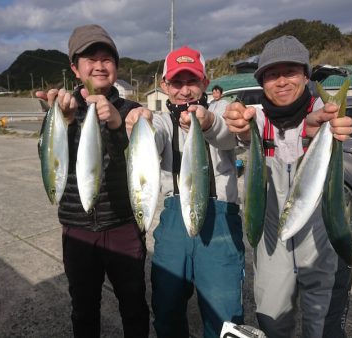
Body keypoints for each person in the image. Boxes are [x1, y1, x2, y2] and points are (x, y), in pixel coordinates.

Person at [223, 35, 352, 338]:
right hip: (271, 242)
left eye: (291, 72)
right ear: (261, 82)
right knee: (271, 321)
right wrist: (226, 118)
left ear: (306, 76)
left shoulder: (328, 114)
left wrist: (318, 131)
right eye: (271, 74)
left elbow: (325, 128)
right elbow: (225, 130)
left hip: (321, 243)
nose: (281, 81)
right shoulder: (252, 118)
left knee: (323, 329)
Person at [36, 24, 149, 337]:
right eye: (90, 58)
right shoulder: (61, 110)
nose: (100, 65)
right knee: (84, 308)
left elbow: (142, 165)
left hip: (123, 225)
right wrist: (66, 123)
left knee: (135, 305)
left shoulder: (132, 112)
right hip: (78, 229)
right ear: (75, 68)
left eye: (107, 58)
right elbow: (49, 162)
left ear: (117, 66)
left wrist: (116, 124)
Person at [126, 46, 245, 338]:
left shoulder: (219, 110)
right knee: (165, 310)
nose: (184, 91)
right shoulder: (162, 120)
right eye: (176, 83)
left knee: (224, 316)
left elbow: (230, 136)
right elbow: (156, 141)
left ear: (205, 82)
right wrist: (140, 129)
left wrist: (208, 123)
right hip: (174, 220)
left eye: (192, 81)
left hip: (220, 222)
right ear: (165, 85)